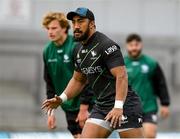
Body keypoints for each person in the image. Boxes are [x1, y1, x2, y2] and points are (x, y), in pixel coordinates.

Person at [42, 7, 144, 138]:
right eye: (74, 22)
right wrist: (61, 99)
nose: (76, 26)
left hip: (125, 105)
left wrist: (118, 107)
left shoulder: (107, 45)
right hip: (101, 106)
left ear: (92, 24)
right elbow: (78, 80)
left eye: (81, 21)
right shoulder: (78, 49)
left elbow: (122, 76)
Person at [42, 12, 94, 138]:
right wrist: (51, 112)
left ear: (64, 28)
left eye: (54, 28)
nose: (50, 32)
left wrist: (83, 108)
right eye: (48, 28)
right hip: (68, 105)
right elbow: (50, 84)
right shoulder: (47, 51)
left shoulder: (76, 46)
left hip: (87, 103)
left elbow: (87, 78)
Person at [124, 33, 170, 138]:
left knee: (149, 135)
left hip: (148, 107)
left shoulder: (151, 63)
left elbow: (161, 84)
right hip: (128, 109)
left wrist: (165, 104)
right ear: (127, 46)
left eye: (137, 45)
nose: (134, 48)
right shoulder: (121, 64)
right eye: (131, 45)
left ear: (141, 45)